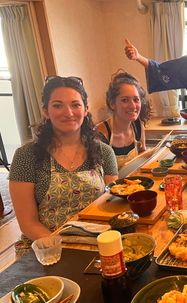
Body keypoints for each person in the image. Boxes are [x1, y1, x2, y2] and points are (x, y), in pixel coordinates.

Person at [8, 76, 118, 258]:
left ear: (85, 109)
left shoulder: (104, 152)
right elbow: (28, 223)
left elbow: (112, 204)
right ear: (46, 111)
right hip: (45, 248)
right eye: (58, 105)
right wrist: (65, 248)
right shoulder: (26, 156)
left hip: (95, 241)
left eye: (75, 105)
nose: (68, 112)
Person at [95, 71, 152, 169]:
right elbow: (97, 174)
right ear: (112, 104)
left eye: (136, 100)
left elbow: (142, 151)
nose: (132, 106)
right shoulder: (100, 135)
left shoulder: (138, 125)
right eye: (125, 100)